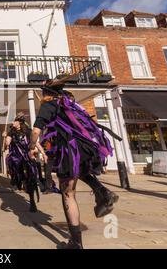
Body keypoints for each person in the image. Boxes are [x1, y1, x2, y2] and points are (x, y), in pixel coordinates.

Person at [29, 79, 120, 249]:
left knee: (68, 194)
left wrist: (31, 147)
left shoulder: (49, 105)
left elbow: (35, 131)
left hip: (70, 152)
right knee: (83, 173)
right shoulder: (70, 105)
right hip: (86, 149)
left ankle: (76, 243)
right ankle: (103, 192)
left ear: (46, 93)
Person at [5, 113, 45, 213]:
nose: (13, 122)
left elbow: (36, 142)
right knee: (17, 173)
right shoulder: (11, 132)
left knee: (31, 178)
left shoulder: (28, 131)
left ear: (19, 122)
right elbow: (7, 144)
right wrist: (5, 137)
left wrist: (43, 153)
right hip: (16, 158)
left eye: (14, 121)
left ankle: (32, 201)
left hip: (27, 157)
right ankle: (19, 180)